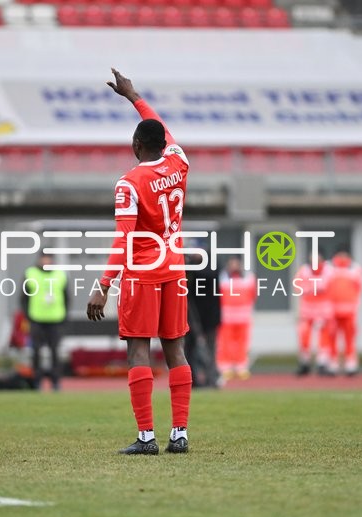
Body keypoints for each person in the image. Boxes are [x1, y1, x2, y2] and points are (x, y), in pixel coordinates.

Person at [87, 68, 192, 455]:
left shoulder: (129, 183)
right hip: (174, 270)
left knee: (139, 351)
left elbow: (124, 239)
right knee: (176, 351)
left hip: (142, 275)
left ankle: (146, 437)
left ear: (135, 145)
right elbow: (160, 128)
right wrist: (135, 98)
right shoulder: (179, 164)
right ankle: (179, 433)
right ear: (163, 143)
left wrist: (102, 286)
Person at [22, 253, 68, 392]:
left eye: (49, 258)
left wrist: (65, 316)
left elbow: (67, 297)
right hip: (37, 318)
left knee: (55, 352)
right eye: (44, 258)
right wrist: (28, 316)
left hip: (56, 319)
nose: (46, 261)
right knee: (36, 351)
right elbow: (23, 297)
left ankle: (55, 381)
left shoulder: (60, 275)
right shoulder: (30, 273)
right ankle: (37, 380)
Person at [215, 257, 257, 380]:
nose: (234, 267)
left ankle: (241, 367)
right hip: (226, 316)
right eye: (232, 264)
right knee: (225, 343)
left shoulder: (249, 278)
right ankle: (225, 367)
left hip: (243, 316)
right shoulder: (222, 278)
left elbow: (253, 295)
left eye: (236, 264)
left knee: (242, 343)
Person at [184, 248, 221, 388]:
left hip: (210, 317)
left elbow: (208, 276)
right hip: (192, 317)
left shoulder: (210, 268)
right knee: (190, 350)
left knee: (209, 350)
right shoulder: (191, 271)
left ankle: (212, 379)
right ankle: (194, 379)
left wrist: (192, 264)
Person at [293, 253, 333, 376]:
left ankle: (323, 363)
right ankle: (305, 362)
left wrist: (311, 286)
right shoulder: (304, 271)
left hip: (323, 311)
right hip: (307, 311)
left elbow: (327, 286)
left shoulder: (329, 271)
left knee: (324, 339)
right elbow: (297, 286)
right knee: (304, 337)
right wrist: (312, 287)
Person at [327, 245, 362, 376]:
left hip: (349, 311)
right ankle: (333, 363)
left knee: (349, 339)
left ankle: (350, 363)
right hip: (333, 310)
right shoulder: (329, 268)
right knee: (332, 338)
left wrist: (355, 306)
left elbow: (358, 290)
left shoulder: (355, 269)